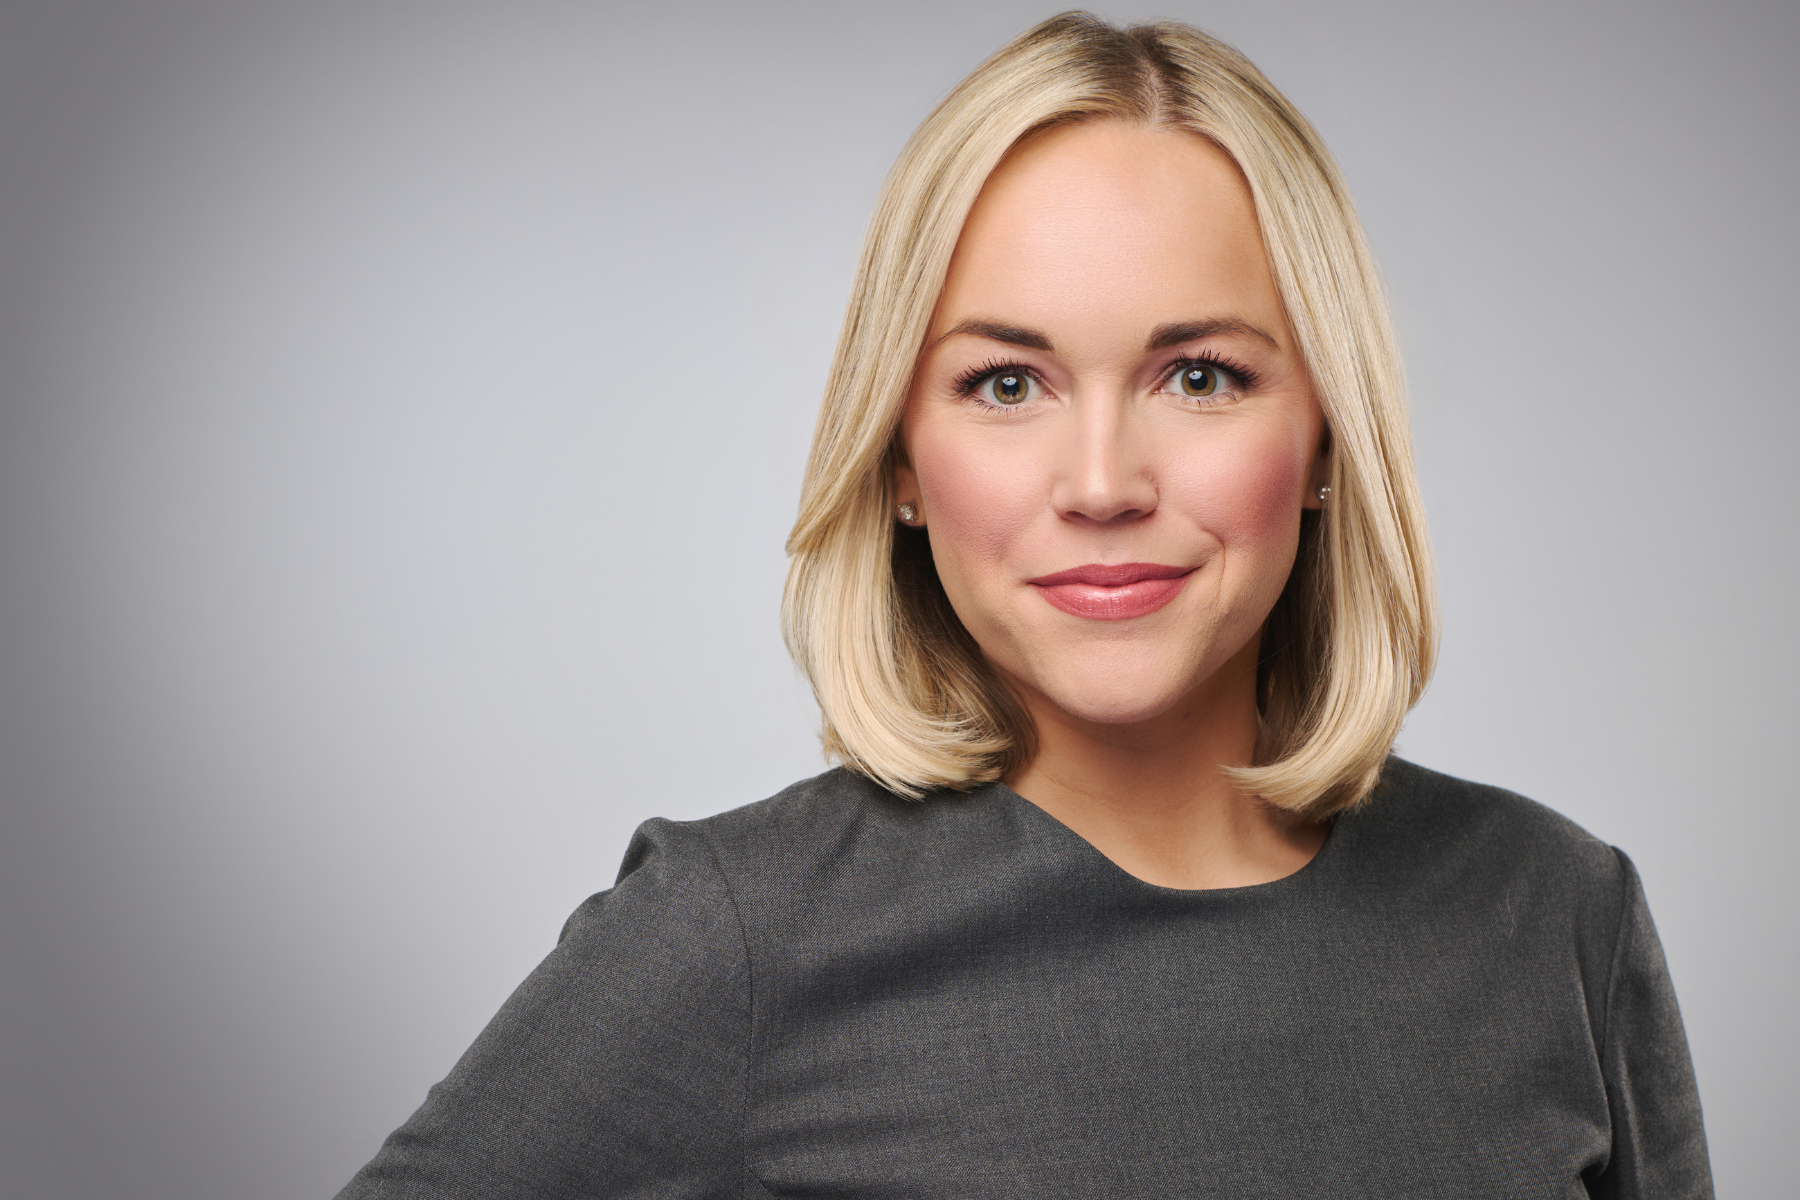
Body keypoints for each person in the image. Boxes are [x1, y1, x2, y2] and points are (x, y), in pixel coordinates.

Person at [337, 12, 1711, 1197]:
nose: (1104, 482)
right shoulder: (734, 939)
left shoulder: (1559, 919)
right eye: (1006, 384)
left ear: (1330, 444)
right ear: (900, 465)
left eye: (1203, 376)